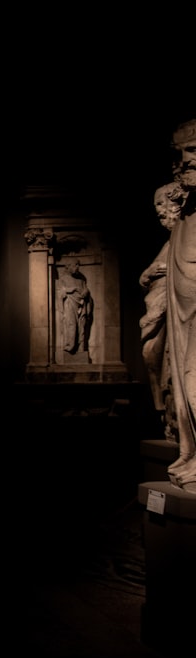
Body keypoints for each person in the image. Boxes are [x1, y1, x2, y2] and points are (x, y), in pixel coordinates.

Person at [164, 119, 196, 490]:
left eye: (194, 150)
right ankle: (191, 452)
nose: (186, 160)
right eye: (182, 153)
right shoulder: (184, 214)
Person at [140, 181, 185, 437]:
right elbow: (146, 276)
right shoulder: (170, 243)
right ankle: (167, 413)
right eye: (156, 205)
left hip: (181, 314)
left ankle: (176, 420)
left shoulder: (186, 238)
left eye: (161, 203)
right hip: (161, 313)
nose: (159, 211)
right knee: (151, 354)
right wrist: (148, 274)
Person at [57, 258, 92, 355]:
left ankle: (81, 348)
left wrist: (86, 292)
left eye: (78, 265)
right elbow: (60, 293)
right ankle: (70, 347)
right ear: (69, 266)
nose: (78, 267)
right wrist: (71, 289)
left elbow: (86, 290)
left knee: (82, 327)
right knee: (71, 325)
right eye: (75, 265)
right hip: (70, 305)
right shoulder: (63, 279)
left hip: (81, 305)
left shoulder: (81, 280)